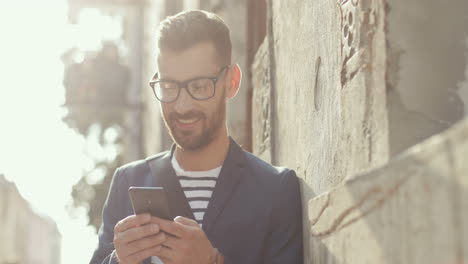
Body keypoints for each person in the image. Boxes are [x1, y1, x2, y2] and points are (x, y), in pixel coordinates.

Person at [89, 10, 303, 264]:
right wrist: (118, 261)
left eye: (199, 86)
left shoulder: (275, 190)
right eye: (169, 87)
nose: (181, 106)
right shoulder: (128, 181)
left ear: (232, 82)